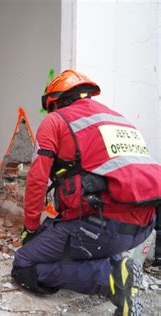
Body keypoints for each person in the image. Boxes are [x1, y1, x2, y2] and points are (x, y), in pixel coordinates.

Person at [11, 69, 160, 315]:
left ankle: (111, 278)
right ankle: (120, 266)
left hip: (101, 227)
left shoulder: (56, 120)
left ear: (55, 101)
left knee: (24, 263)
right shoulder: (118, 119)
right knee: (53, 235)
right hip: (143, 227)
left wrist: (30, 227)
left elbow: (37, 179)